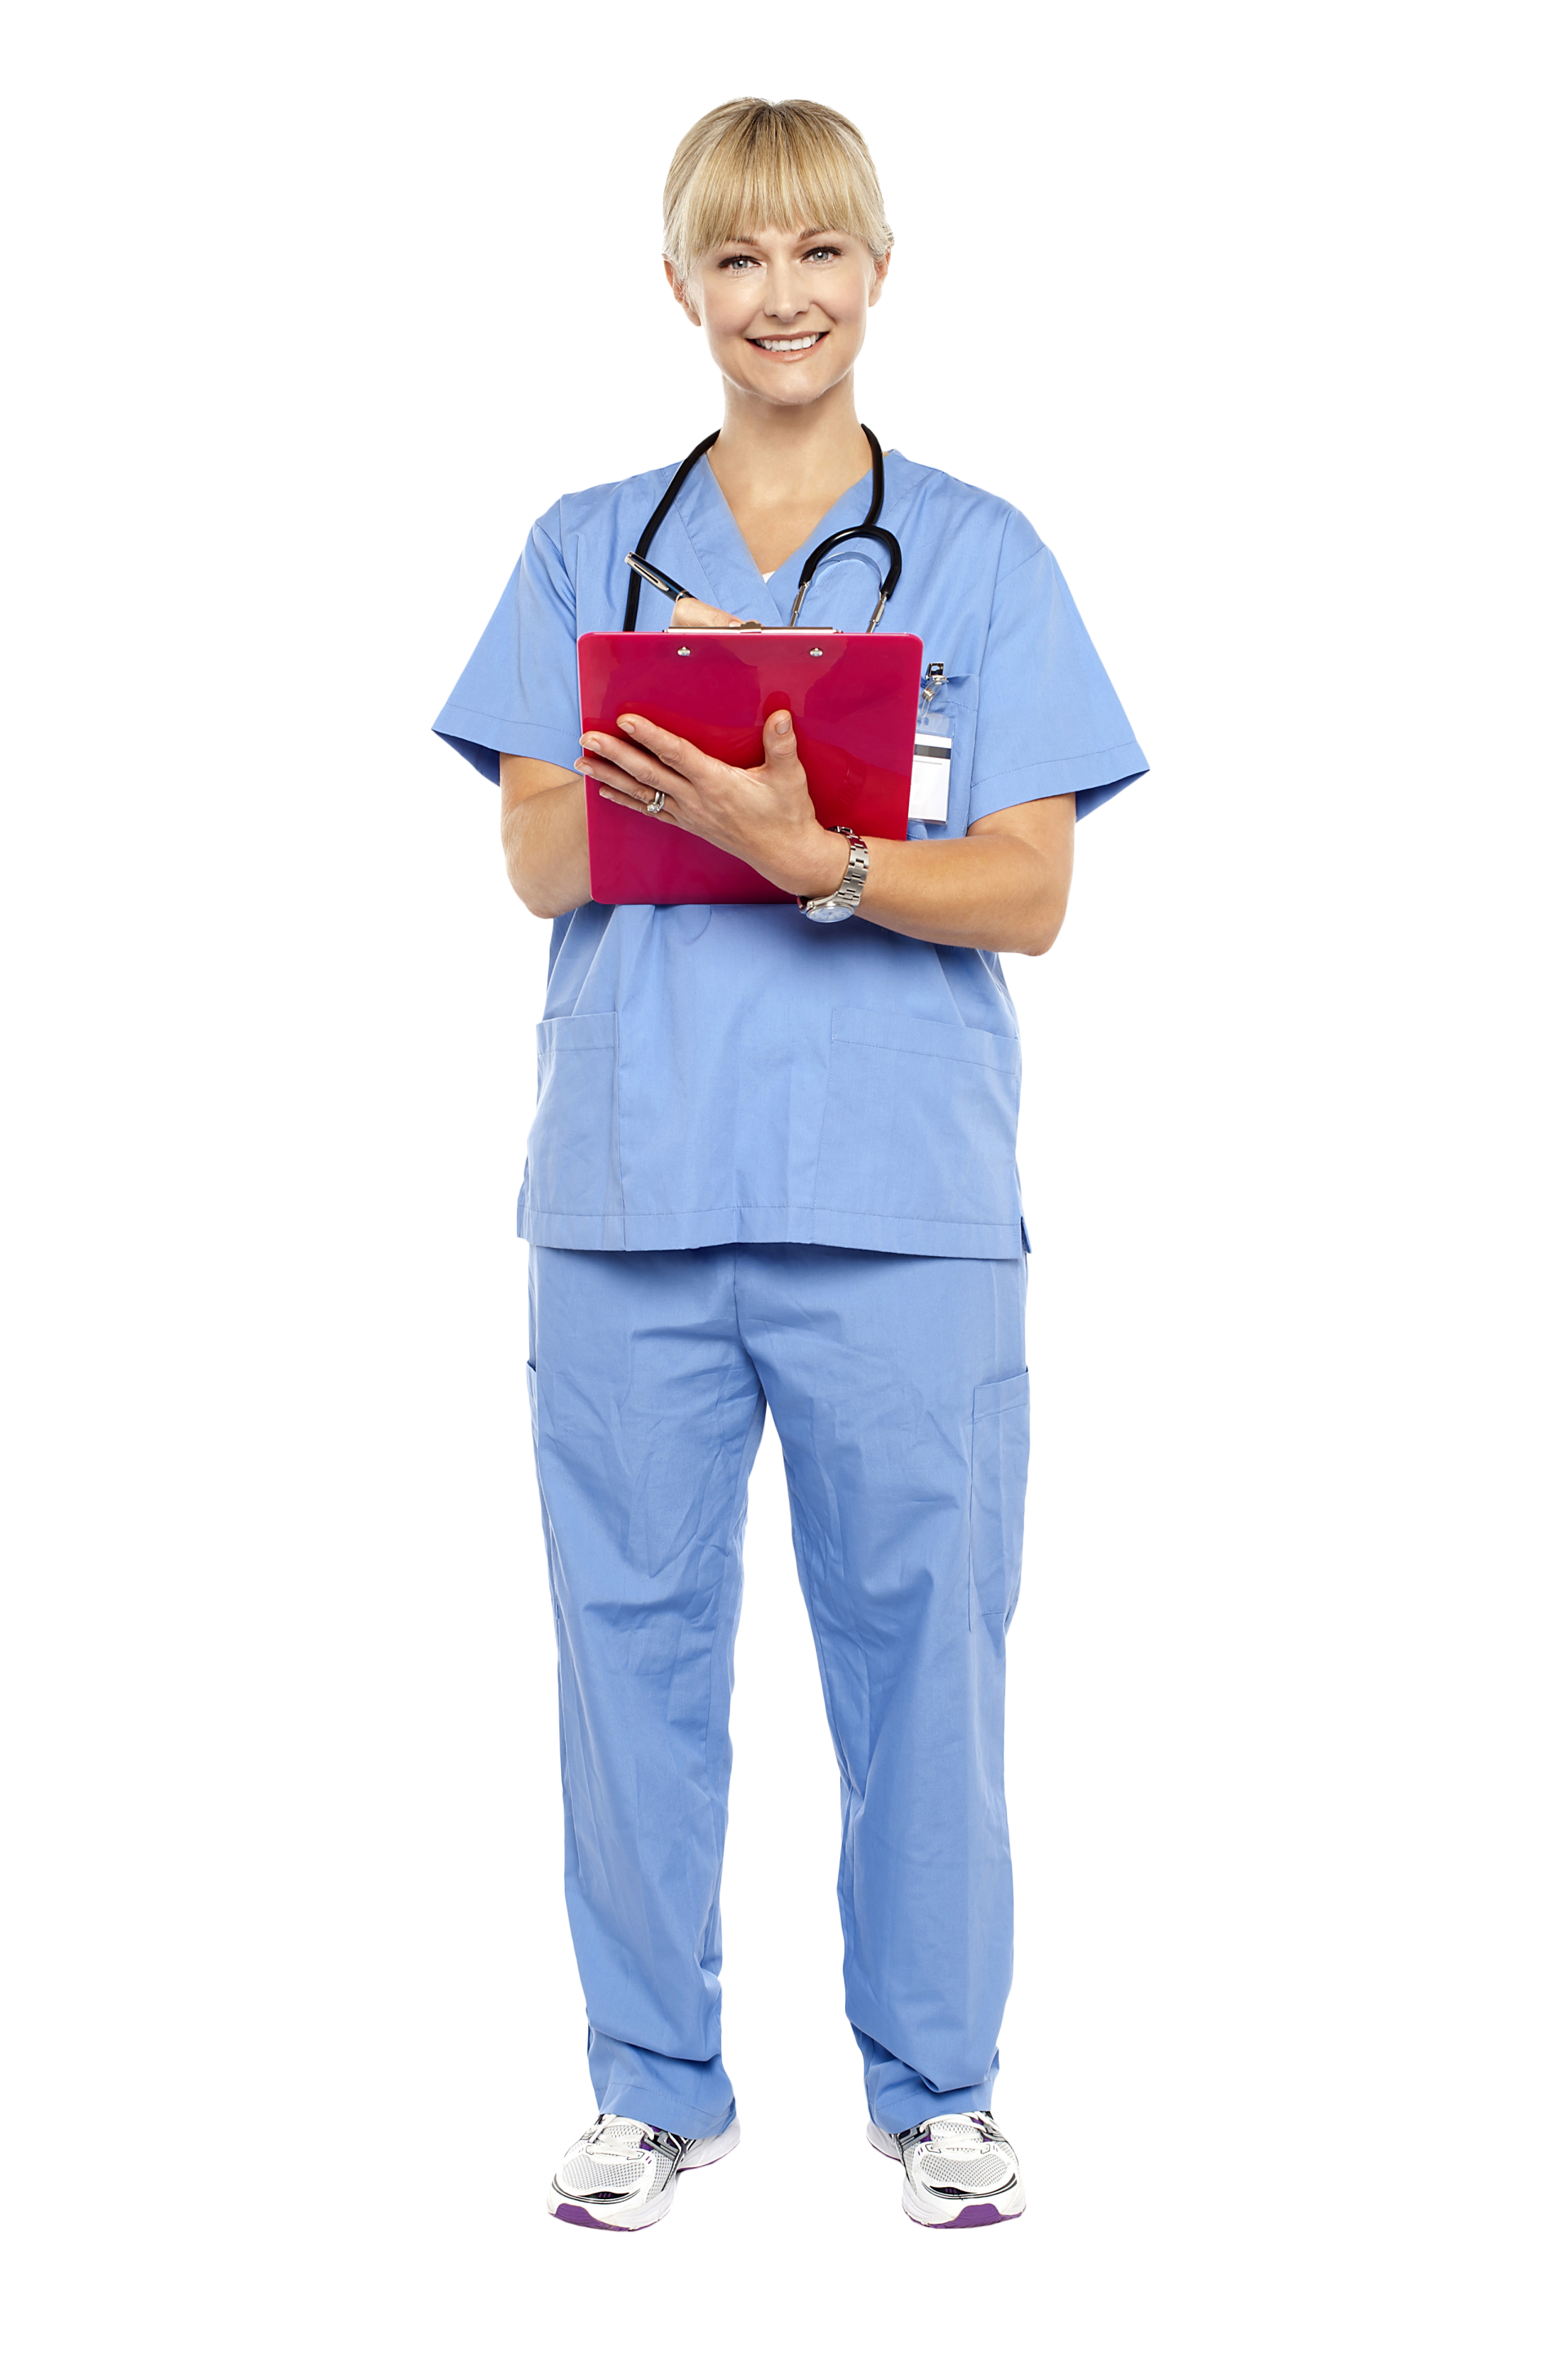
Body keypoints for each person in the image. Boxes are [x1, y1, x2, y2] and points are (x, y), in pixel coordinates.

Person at [431, 95, 1148, 2234]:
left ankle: (939, 2086)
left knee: (926, 1648)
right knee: (626, 1643)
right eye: (737, 258)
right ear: (681, 289)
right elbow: (536, 844)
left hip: (900, 1211)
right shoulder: (585, 547)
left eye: (818, 252)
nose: (782, 296)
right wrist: (718, 800)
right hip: (633, 1205)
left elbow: (1029, 889)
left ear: (882, 270)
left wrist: (810, 852)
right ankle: (656, 2083)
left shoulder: (983, 557)